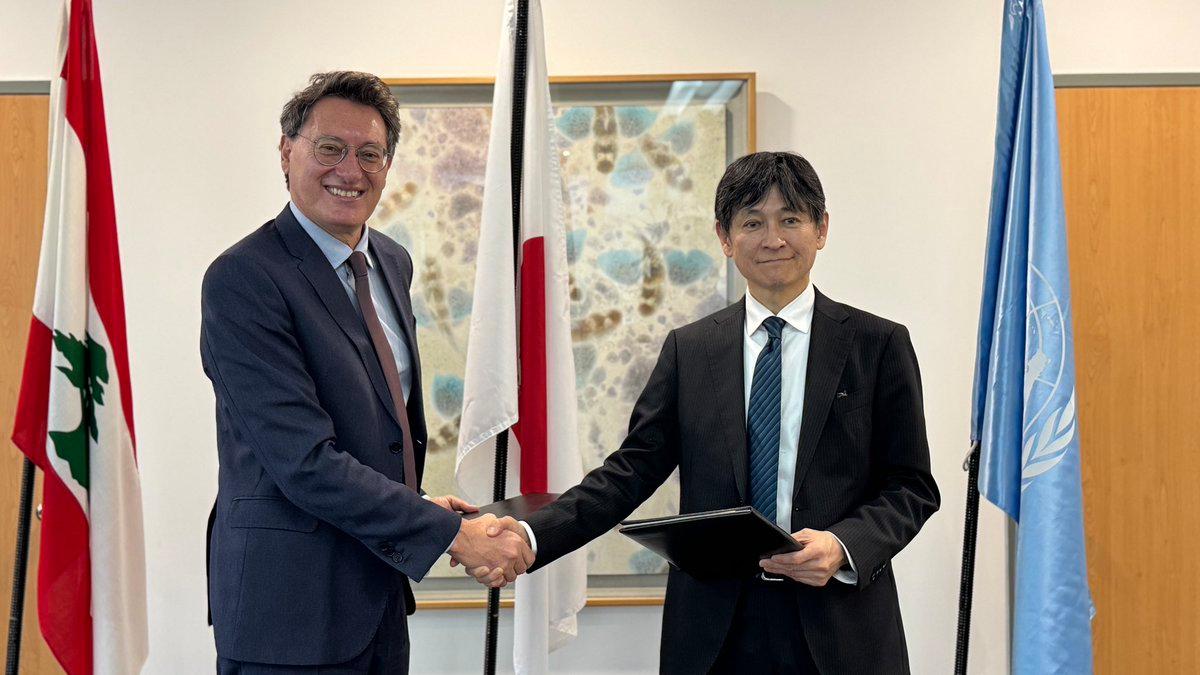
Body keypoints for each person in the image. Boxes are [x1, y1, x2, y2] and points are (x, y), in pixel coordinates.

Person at [486, 151, 940, 673]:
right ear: (725, 238)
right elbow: (627, 474)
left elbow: (911, 486)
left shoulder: (877, 344)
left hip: (841, 626)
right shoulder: (690, 350)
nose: (773, 239)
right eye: (753, 222)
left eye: (790, 219)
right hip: (714, 635)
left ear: (821, 229)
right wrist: (530, 535)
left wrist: (843, 546)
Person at [201, 71, 532, 674]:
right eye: (330, 148)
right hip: (287, 614)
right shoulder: (244, 279)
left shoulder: (389, 261)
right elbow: (303, 460)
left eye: (370, 153)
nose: (349, 170)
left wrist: (419, 502)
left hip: (376, 595)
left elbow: (373, 429)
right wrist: (444, 531)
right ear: (286, 150)